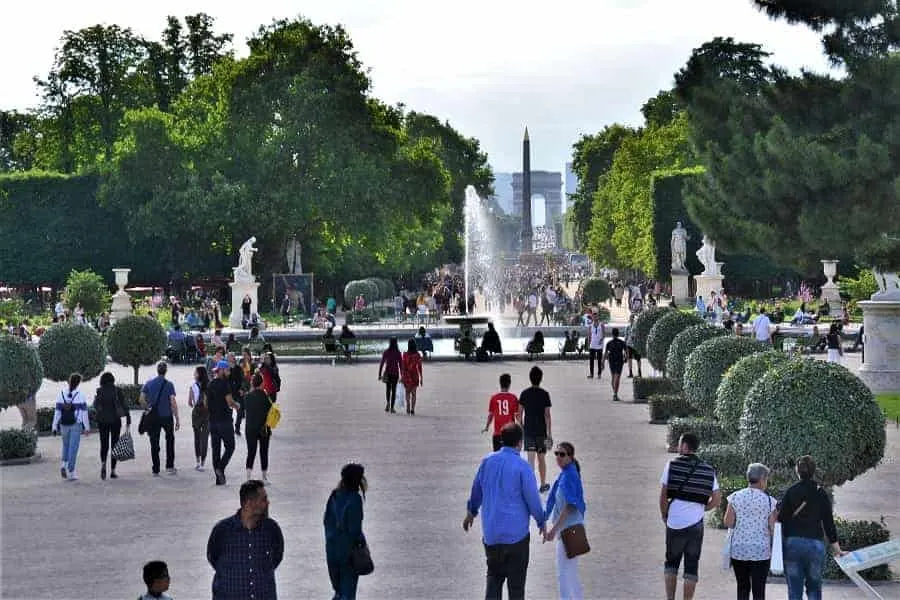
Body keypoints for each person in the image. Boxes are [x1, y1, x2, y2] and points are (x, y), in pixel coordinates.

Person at [463, 423, 547, 600]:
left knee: (493, 579)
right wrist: (541, 521)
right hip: (516, 536)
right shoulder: (523, 467)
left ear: (502, 440)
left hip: (492, 534)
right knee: (516, 587)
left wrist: (471, 512)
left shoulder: (487, 462)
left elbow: (476, 490)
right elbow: (532, 499)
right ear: (520, 443)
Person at [659, 432, 721, 600]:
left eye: (679, 444)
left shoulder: (672, 465)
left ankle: (670, 598)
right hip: (696, 524)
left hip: (675, 522)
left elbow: (663, 496)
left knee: (671, 564)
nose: (678, 447)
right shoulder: (708, 469)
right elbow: (717, 499)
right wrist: (703, 508)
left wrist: (665, 516)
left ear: (685, 446)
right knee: (691, 567)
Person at [776, 455, 845, 600]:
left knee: (794, 591)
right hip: (815, 544)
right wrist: (837, 549)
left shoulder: (791, 491)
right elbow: (828, 523)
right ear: (814, 471)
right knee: (814, 588)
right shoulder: (821, 493)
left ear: (797, 471)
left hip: (793, 543)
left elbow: (781, 518)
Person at [207, 480, 284, 599]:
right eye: (263, 499)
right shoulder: (223, 530)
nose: (268, 503)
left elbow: (277, 557)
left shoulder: (271, 530)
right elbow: (213, 557)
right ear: (249, 503)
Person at [724, 463, 777, 600]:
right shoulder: (769, 501)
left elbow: (728, 522)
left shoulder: (735, 497)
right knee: (759, 589)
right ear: (762, 479)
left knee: (742, 586)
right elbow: (772, 528)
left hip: (739, 548)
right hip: (760, 551)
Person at [543, 441, 587, 600]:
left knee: (563, 574)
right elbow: (554, 500)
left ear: (571, 457)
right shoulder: (566, 474)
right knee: (571, 573)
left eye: (562, 454)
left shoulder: (569, 476)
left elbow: (569, 507)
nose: (558, 457)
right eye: (556, 454)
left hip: (569, 531)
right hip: (570, 529)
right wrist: (545, 517)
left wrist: (553, 530)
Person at [324, 463, 368, 600]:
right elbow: (354, 530)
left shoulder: (334, 496)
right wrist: (361, 543)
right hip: (348, 554)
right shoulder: (355, 499)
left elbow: (326, 521)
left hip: (332, 550)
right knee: (347, 593)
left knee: (339, 592)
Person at [140, 362, 180, 477]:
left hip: (154, 417)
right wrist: (177, 418)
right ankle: (169, 466)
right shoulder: (169, 385)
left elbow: (141, 398)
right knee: (170, 440)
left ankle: (156, 469)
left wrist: (147, 408)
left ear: (157, 371)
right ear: (165, 371)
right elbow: (173, 402)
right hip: (166, 416)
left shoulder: (149, 383)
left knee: (154, 442)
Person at [519, 366, 553, 493]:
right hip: (541, 432)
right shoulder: (545, 394)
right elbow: (547, 415)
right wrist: (549, 434)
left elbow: (519, 414)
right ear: (541, 378)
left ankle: (530, 485)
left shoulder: (524, 393)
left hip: (528, 431)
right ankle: (543, 484)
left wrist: (522, 427)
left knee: (530, 460)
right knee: (541, 459)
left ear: (530, 378)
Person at [52, 372, 91, 481]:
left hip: (63, 424)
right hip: (75, 424)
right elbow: (84, 413)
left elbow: (57, 412)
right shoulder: (80, 395)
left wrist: (54, 426)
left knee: (66, 445)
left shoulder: (61, 394)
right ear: (78, 383)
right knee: (73, 448)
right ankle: (71, 471)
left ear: (69, 381)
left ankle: (63, 465)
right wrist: (87, 427)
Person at [93, 371, 131, 480]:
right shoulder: (117, 390)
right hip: (115, 421)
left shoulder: (100, 391)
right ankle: (113, 471)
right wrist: (128, 419)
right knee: (114, 445)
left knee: (103, 444)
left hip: (102, 421)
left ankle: (103, 463)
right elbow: (124, 405)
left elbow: (96, 405)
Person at [208, 360, 240, 485]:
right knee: (230, 447)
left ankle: (218, 479)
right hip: (225, 422)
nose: (229, 372)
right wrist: (237, 405)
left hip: (213, 422)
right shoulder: (225, 384)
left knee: (216, 449)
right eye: (227, 370)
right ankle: (221, 468)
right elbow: (230, 402)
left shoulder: (210, 384)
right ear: (221, 370)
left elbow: (206, 403)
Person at [243, 373, 272, 482]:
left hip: (250, 428)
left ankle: (248, 477)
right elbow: (270, 410)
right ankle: (264, 477)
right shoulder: (265, 396)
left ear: (252, 383)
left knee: (251, 452)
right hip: (263, 428)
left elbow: (244, 410)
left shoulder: (247, 397)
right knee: (264, 452)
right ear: (262, 383)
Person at [482, 373, 520, 451]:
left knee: (497, 456)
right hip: (510, 433)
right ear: (509, 384)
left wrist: (487, 427)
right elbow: (517, 416)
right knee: (510, 457)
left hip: (497, 433)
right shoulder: (513, 398)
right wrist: (521, 427)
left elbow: (491, 415)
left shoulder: (494, 398)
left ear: (500, 384)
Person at [188, 365, 210, 472]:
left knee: (197, 438)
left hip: (196, 414)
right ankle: (202, 463)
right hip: (207, 414)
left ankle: (197, 461)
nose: (194, 374)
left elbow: (190, 403)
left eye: (195, 372)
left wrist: (195, 401)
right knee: (204, 438)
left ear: (199, 374)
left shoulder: (193, 386)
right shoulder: (209, 385)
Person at [378, 337, 403, 413]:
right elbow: (401, 365)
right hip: (395, 373)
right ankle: (392, 408)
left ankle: (388, 403)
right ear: (396, 343)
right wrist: (402, 375)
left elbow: (382, 363)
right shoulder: (398, 352)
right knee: (394, 390)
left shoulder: (386, 352)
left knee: (388, 389)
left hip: (388, 373)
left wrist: (379, 374)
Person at [604, 327, 629, 402]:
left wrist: (602, 363)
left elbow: (605, 353)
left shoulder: (609, 343)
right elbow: (627, 351)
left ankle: (615, 393)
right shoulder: (621, 342)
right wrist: (626, 358)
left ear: (612, 334)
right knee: (617, 378)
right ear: (618, 334)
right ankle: (615, 394)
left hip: (611, 361)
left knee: (614, 377)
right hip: (619, 361)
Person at [401, 338, 423, 415]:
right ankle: (412, 409)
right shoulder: (417, 355)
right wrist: (421, 377)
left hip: (407, 376)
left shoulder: (405, 355)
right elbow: (419, 367)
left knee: (407, 393)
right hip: (415, 376)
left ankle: (408, 406)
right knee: (414, 393)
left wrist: (402, 376)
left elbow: (403, 367)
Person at [586, 312, 605, 379]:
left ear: (598, 317)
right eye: (594, 317)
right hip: (592, 345)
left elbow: (603, 334)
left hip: (599, 345)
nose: (595, 318)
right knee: (591, 360)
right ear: (592, 318)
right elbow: (589, 335)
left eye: (596, 316)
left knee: (599, 360)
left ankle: (599, 374)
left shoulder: (601, 325)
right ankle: (591, 374)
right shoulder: (590, 326)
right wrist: (589, 344)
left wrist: (601, 340)